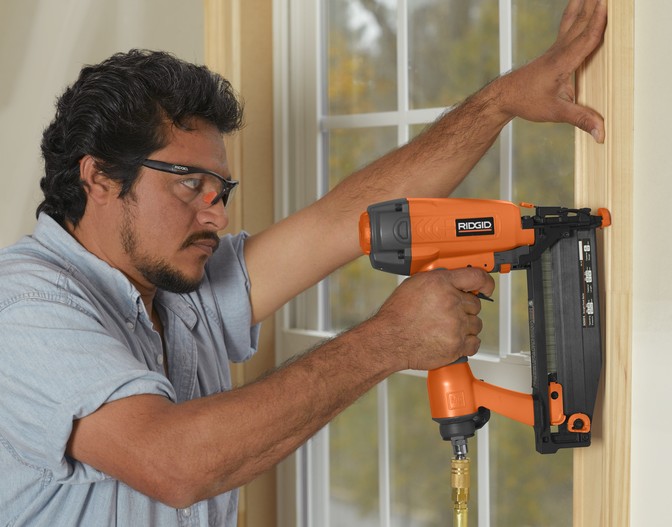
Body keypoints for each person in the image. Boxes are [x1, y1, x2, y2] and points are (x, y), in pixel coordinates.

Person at [0, 0, 606, 525]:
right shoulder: (26, 310)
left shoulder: (180, 288)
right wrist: (388, 341)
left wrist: (499, 103)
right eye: (189, 184)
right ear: (100, 177)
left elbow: (347, 219)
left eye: (222, 192)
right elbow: (175, 463)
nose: (218, 217)